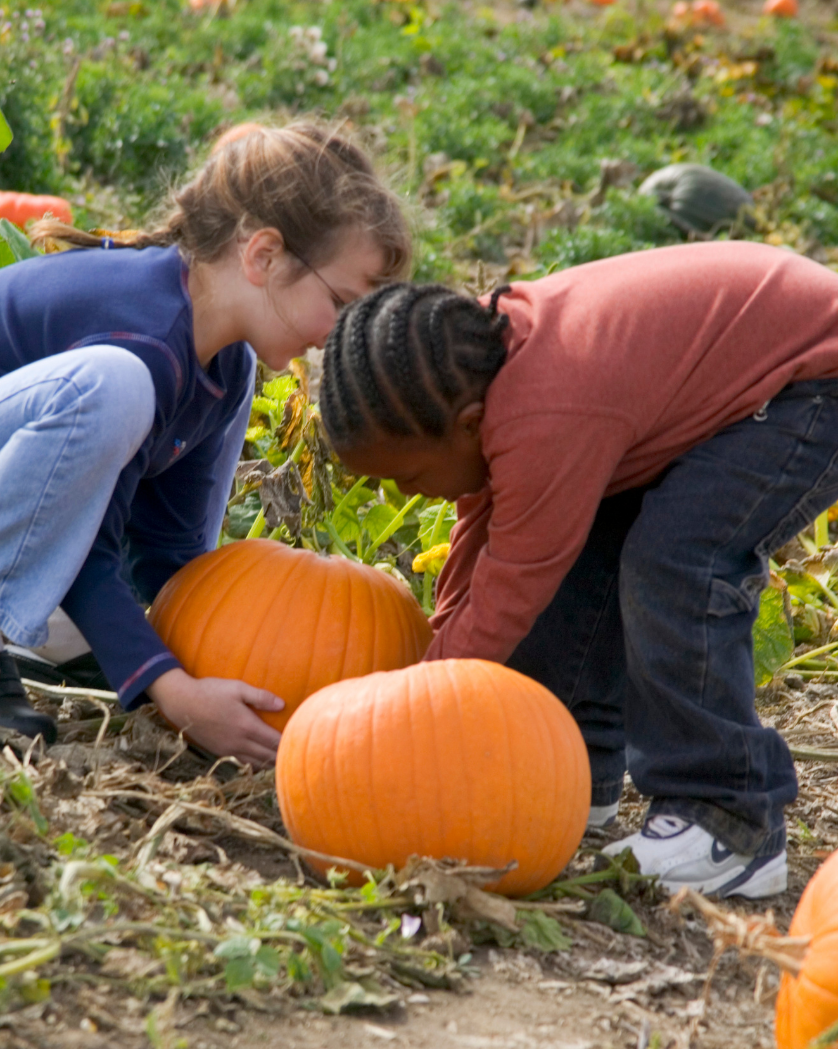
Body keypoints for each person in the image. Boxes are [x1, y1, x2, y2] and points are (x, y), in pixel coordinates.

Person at [0, 122, 410, 767]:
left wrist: (200, 653)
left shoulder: (228, 364)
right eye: (342, 303)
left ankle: (36, 625)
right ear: (264, 256)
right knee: (116, 384)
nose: (341, 333)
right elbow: (92, 545)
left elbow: (171, 549)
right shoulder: (148, 339)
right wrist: (174, 692)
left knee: (121, 415)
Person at [318, 240, 838, 898]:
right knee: (590, 533)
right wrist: (438, 638)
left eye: (408, 476)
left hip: (810, 380)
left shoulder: (545, 413)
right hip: (731, 372)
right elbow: (482, 531)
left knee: (680, 557)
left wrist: (408, 719)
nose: (409, 496)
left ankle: (729, 817)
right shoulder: (463, 374)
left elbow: (510, 585)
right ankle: (571, 774)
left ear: (468, 424)